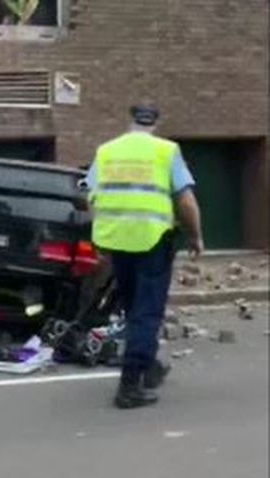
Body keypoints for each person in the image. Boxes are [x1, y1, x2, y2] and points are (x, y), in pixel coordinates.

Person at [85, 104, 204, 409]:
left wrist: (100, 239)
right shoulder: (166, 151)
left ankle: (148, 366)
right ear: (155, 123)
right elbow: (185, 200)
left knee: (132, 305)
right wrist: (194, 236)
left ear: (131, 121)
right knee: (147, 311)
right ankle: (129, 384)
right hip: (152, 240)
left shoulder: (107, 151)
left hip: (117, 241)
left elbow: (91, 197)